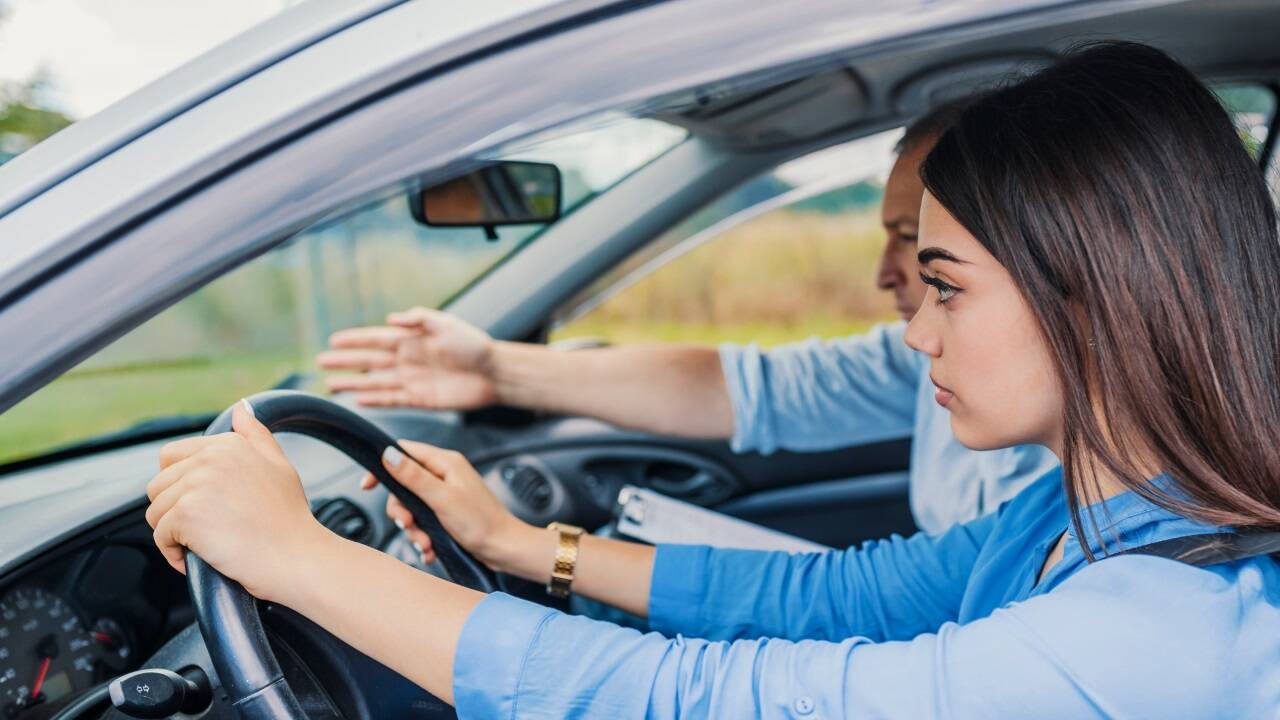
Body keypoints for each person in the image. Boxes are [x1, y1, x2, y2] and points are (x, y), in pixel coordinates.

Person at [145, 41, 1280, 717]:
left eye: (943, 285)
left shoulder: (1155, 638)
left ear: (1092, 294)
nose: (912, 333)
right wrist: (517, 547)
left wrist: (300, 559)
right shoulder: (1094, 515)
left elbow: (707, 702)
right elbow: (842, 602)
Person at [316, 100, 1057, 539]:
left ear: (1056, 265)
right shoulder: (926, 364)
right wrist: (496, 370)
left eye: (933, 267)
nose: (890, 284)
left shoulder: (1099, 536)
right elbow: (747, 388)